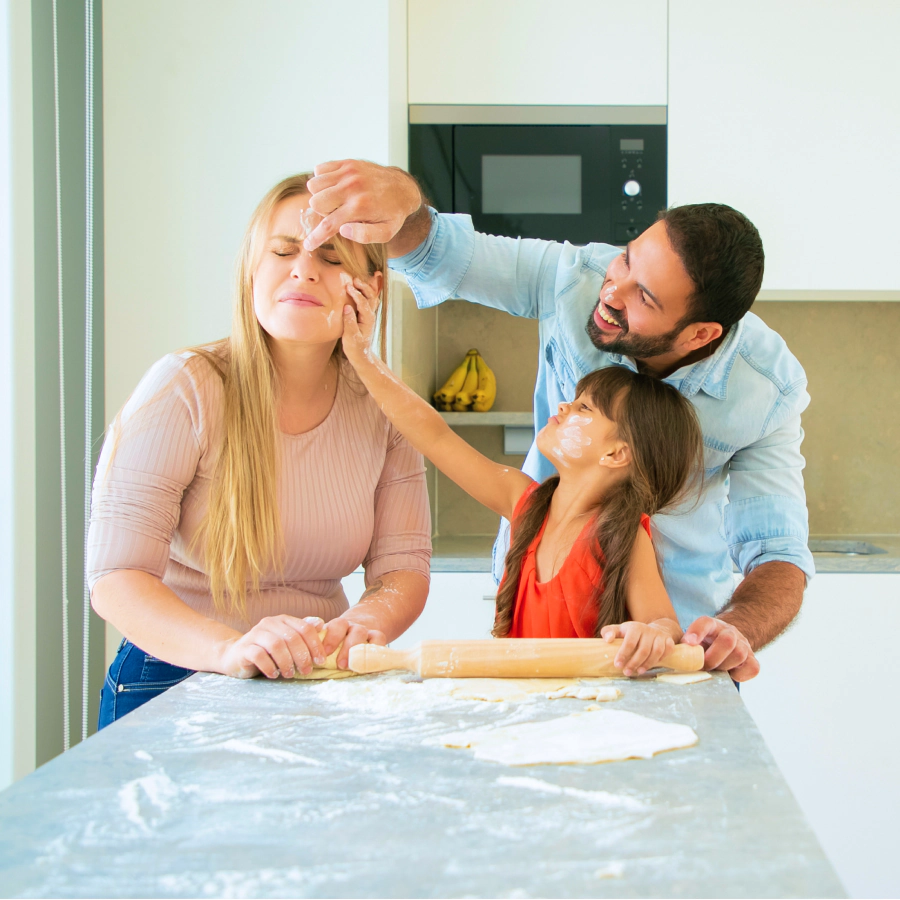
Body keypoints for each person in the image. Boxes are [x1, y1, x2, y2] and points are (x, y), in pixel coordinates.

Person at [301, 160, 817, 682]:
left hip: (665, 659)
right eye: (626, 260)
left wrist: (726, 631)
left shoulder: (766, 391)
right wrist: (405, 208)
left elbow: (776, 552)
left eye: (646, 298)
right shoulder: (577, 280)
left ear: (700, 335)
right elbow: (443, 256)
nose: (612, 293)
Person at [88, 173, 431, 727]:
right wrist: (230, 650)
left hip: (320, 677)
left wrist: (366, 624)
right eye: (283, 250)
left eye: (333, 258)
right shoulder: (184, 386)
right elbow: (116, 577)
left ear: (373, 288)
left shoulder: (383, 408)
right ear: (252, 268)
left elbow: (402, 570)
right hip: (175, 673)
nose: (304, 269)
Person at [340, 277, 704, 675]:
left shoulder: (622, 535)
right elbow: (434, 436)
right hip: (518, 710)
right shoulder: (523, 501)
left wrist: (652, 634)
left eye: (584, 409)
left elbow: (663, 623)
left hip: (587, 716)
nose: (564, 406)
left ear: (616, 453)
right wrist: (361, 356)